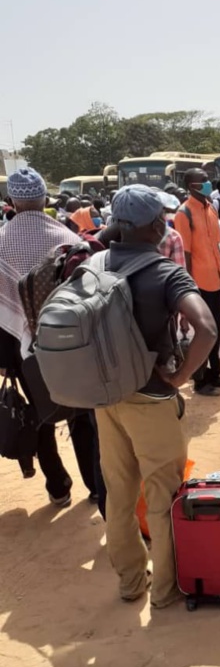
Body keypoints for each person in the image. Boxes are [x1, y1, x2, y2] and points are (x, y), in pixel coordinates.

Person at [96, 185, 217, 608]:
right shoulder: (165, 272)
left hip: (106, 399)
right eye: (161, 219)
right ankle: (164, 590)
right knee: (163, 495)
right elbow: (206, 329)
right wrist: (182, 376)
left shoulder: (94, 264)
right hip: (151, 397)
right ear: (151, 227)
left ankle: (131, 582)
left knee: (119, 492)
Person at [0, 168, 97, 506]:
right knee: (84, 415)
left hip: (23, 348)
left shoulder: (1, 244)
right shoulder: (68, 238)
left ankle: (58, 486)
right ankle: (96, 486)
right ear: (44, 199)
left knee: (41, 415)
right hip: (72, 342)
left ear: (12, 201)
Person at [174, 169, 220, 396]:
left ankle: (214, 374)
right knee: (203, 332)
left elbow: (217, 246)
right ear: (191, 185)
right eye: (204, 181)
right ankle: (199, 381)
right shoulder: (184, 213)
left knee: (216, 329)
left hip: (216, 278)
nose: (208, 183)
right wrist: (189, 287)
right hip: (198, 282)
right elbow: (185, 254)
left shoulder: (211, 208)